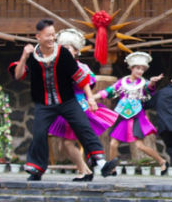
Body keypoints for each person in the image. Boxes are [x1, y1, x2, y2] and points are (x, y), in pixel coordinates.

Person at [9, 19, 119, 181]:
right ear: (38, 37)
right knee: (39, 133)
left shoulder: (63, 54)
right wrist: (24, 56)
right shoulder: (33, 56)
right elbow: (18, 75)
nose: (52, 38)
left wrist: (90, 98)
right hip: (45, 103)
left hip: (68, 101)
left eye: (53, 35)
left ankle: (102, 164)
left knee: (83, 127)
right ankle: (36, 170)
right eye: (48, 35)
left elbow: (80, 77)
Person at [48, 29, 119, 182]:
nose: (65, 51)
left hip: (78, 105)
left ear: (76, 51)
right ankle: (88, 169)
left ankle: (88, 169)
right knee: (66, 143)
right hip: (65, 105)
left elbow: (89, 83)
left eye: (68, 48)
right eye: (62, 48)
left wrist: (90, 99)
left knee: (69, 142)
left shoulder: (80, 67)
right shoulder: (56, 66)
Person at [95, 52, 167, 175]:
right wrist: (92, 97)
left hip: (137, 117)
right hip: (124, 117)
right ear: (132, 68)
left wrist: (152, 82)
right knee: (113, 144)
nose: (140, 71)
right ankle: (112, 168)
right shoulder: (122, 83)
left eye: (142, 69)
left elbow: (149, 88)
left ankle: (162, 161)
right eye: (138, 68)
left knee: (140, 145)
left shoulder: (143, 83)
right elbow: (107, 92)